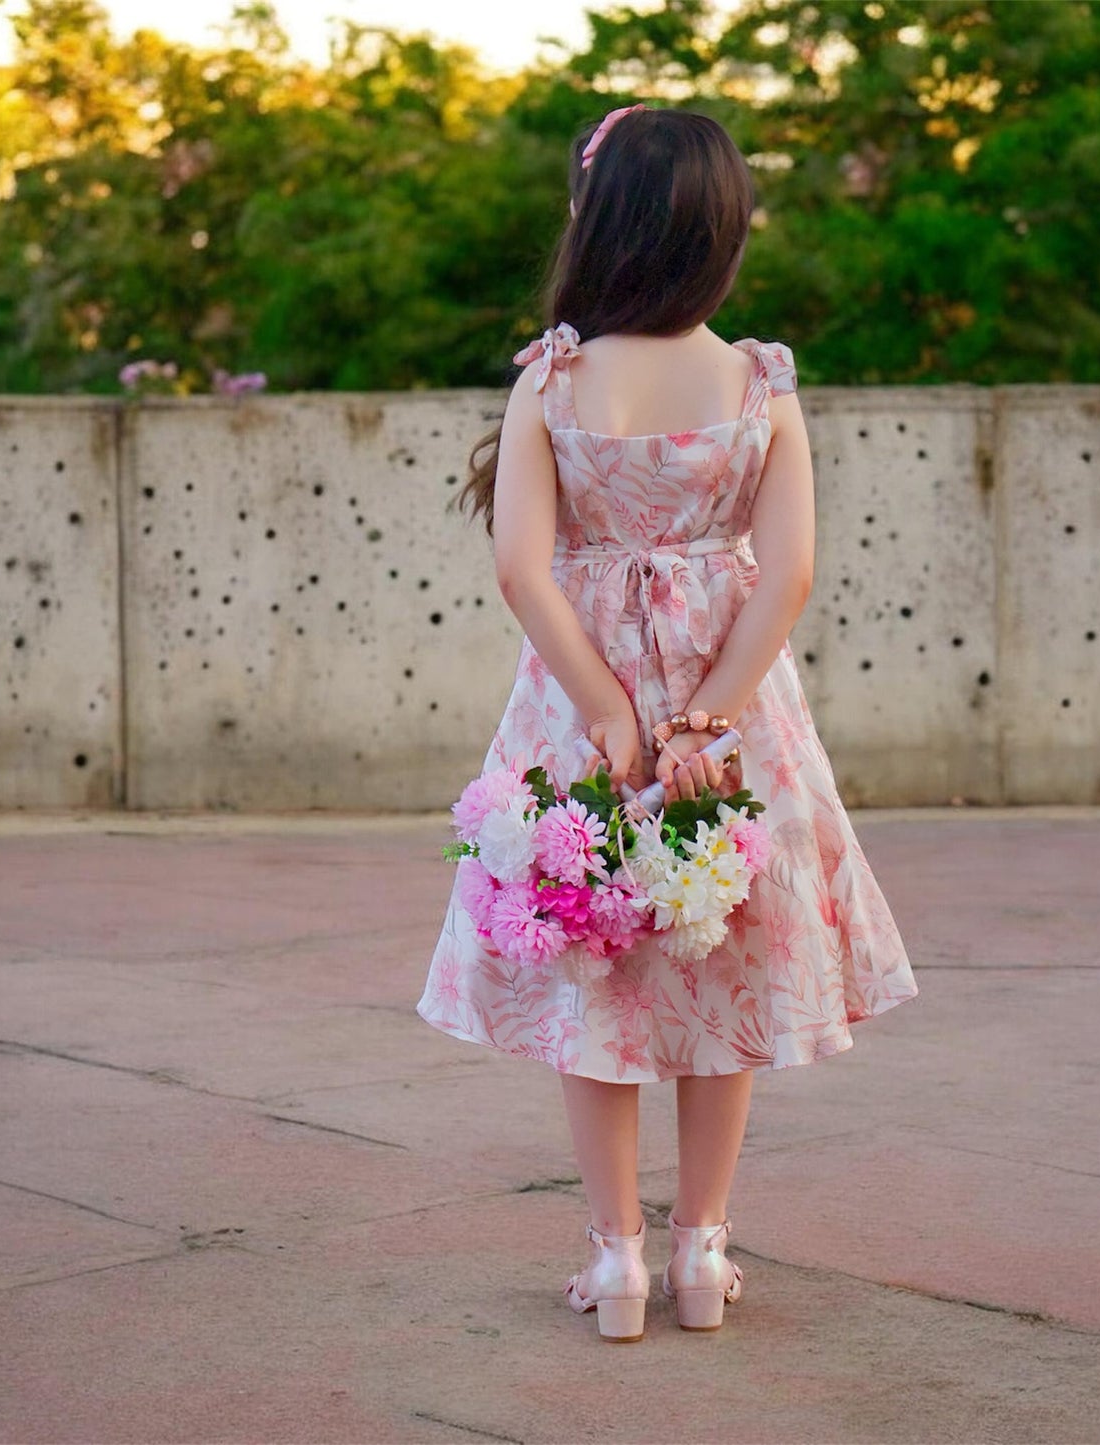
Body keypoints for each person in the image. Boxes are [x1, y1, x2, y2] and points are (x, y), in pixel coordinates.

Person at [416, 104, 919, 1343]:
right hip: (730, 707)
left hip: (578, 705)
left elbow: (522, 568)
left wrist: (610, 713)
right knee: (718, 956)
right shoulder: (757, 380)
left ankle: (616, 1261)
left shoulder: (552, 378)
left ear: (601, 223)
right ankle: (702, 1250)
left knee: (591, 963)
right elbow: (788, 572)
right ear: (714, 230)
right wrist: (703, 720)